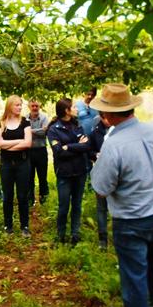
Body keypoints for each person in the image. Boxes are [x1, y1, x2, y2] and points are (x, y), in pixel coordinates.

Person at [90, 83, 153, 307]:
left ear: (108, 115)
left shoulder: (113, 144)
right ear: (130, 109)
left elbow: (101, 187)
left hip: (131, 219)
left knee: (134, 278)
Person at [47, 98, 90, 245]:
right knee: (64, 206)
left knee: (77, 205)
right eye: (74, 107)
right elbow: (58, 152)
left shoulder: (78, 125)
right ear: (66, 110)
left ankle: (75, 234)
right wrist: (77, 146)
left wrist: (69, 147)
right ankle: (60, 235)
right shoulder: (53, 129)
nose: (77, 109)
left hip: (80, 171)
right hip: (64, 173)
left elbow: (86, 146)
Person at [0, 95, 32, 236]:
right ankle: (8, 226)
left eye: (20, 105)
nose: (20, 107)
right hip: (6, 165)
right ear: (9, 106)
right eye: (17, 105)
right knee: (7, 196)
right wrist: (19, 141)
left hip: (23, 164)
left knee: (23, 195)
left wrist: (7, 145)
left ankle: (25, 226)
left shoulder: (25, 122)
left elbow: (28, 143)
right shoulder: (1, 122)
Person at [88, 114, 109, 249]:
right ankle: (103, 238)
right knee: (101, 207)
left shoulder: (119, 129)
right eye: (104, 118)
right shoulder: (95, 132)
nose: (107, 120)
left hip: (118, 175)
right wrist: (96, 155)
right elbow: (88, 150)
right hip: (101, 173)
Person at [26, 100, 49, 206]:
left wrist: (30, 131)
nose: (35, 107)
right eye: (33, 105)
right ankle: (30, 199)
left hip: (41, 151)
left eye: (37, 105)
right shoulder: (25, 118)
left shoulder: (44, 117)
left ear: (39, 106)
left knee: (42, 176)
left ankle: (44, 197)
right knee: (29, 175)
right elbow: (23, 133)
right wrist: (39, 130)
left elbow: (45, 132)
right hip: (28, 151)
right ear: (29, 106)